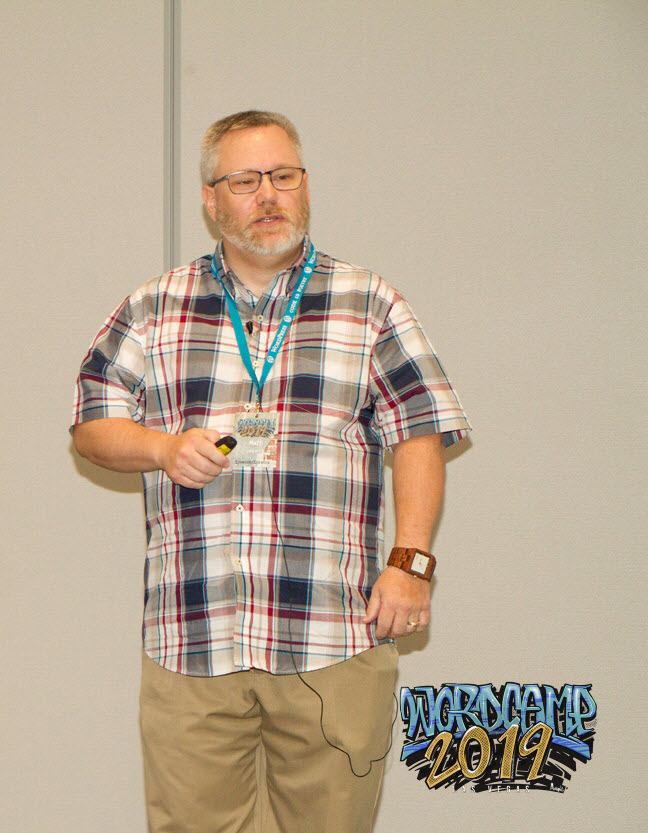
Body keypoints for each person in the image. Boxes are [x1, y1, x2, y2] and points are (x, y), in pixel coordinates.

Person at [71, 111, 470, 833]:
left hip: (332, 634)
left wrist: (411, 563)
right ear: (210, 198)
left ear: (305, 185)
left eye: (284, 176)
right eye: (245, 181)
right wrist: (162, 449)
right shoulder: (154, 307)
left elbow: (420, 431)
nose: (268, 195)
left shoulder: (370, 303)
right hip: (193, 636)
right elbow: (91, 423)